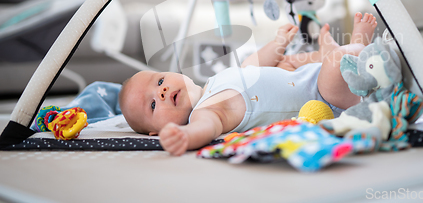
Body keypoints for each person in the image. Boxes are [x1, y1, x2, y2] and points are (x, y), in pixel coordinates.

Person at [119, 12, 377, 156]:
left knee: (283, 62)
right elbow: (205, 130)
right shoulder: (205, 113)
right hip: (326, 98)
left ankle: (324, 57)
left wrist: (277, 43)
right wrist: (184, 136)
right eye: (153, 104)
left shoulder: (214, 83)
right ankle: (356, 46)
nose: (162, 91)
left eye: (160, 80)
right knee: (335, 62)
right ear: (156, 131)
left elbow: (253, 66)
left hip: (305, 76)